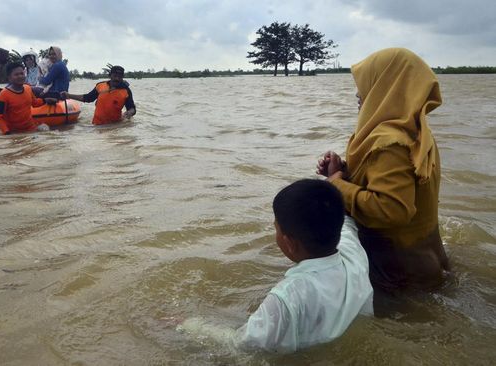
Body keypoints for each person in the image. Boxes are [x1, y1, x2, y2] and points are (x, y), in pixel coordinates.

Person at [316, 48, 450, 302]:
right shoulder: (416, 132)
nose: (358, 93)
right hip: (427, 262)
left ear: (386, 86)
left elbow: (391, 210)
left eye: (366, 83)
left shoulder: (389, 143)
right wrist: (345, 172)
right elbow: (403, 188)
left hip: (400, 275)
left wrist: (336, 185)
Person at [180, 179, 373, 353]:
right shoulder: (353, 252)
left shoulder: (287, 296)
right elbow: (346, 222)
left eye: (276, 228)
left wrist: (189, 325)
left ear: (289, 243)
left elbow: (243, 344)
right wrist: (335, 179)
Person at [0, 62, 57, 135]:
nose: (20, 76)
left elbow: (35, 103)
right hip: (15, 132)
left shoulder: (28, 88)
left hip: (31, 128)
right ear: (9, 78)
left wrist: (46, 100)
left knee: (50, 132)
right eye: (16, 74)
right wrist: (7, 133)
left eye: (22, 74)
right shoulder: (3, 95)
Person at [63, 65, 136, 125]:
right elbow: (88, 98)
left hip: (114, 127)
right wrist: (69, 95)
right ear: (110, 75)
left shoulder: (126, 91)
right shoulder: (100, 86)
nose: (117, 78)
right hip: (96, 125)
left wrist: (129, 113)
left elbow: (132, 108)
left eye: (120, 76)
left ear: (122, 77)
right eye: (115, 76)